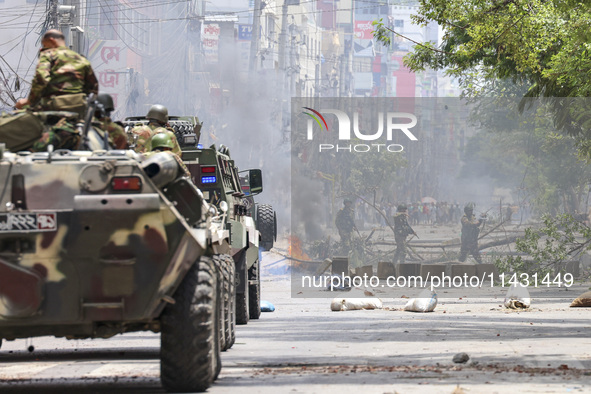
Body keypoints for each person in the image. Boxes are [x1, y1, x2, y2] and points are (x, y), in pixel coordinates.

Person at [15, 29, 98, 113]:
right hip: (79, 106)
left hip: (53, 106)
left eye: (44, 45)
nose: (44, 48)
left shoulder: (49, 54)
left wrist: (30, 101)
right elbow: (93, 88)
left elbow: (41, 79)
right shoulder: (82, 59)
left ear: (51, 40)